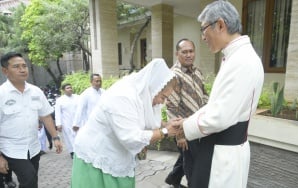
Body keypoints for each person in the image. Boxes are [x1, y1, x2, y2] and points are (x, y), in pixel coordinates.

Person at [174, 1, 264, 187]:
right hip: (220, 148)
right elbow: (215, 104)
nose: (203, 37)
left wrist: (185, 126)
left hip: (225, 154)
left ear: (221, 25)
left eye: (204, 29)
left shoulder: (242, 61)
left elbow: (220, 116)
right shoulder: (235, 56)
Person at [71, 58, 180, 188]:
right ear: (154, 88)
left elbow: (141, 115)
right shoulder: (123, 96)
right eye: (163, 97)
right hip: (97, 156)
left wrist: (165, 124)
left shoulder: (142, 92)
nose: (162, 102)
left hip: (117, 155)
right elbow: (131, 137)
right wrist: (166, 131)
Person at [0, 52, 63, 188]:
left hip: (33, 148)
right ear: (5, 71)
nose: (22, 70)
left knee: (31, 179)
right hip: (11, 149)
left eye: (24, 66)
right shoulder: (1, 94)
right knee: (29, 180)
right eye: (16, 66)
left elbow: (45, 116)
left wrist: (55, 137)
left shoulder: (36, 91)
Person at [165, 38, 208, 188]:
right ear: (177, 54)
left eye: (191, 51)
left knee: (187, 156)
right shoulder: (173, 76)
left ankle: (173, 179)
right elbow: (171, 107)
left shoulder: (197, 72)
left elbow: (204, 96)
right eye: (184, 52)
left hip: (198, 126)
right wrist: (180, 135)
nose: (188, 55)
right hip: (185, 129)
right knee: (193, 164)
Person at [55, 83, 79, 159]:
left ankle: (79, 151)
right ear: (63, 90)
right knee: (69, 137)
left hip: (77, 121)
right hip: (66, 122)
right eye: (68, 88)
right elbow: (57, 112)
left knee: (78, 136)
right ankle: (72, 152)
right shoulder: (60, 100)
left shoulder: (78, 97)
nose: (70, 89)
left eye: (70, 87)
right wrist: (58, 124)